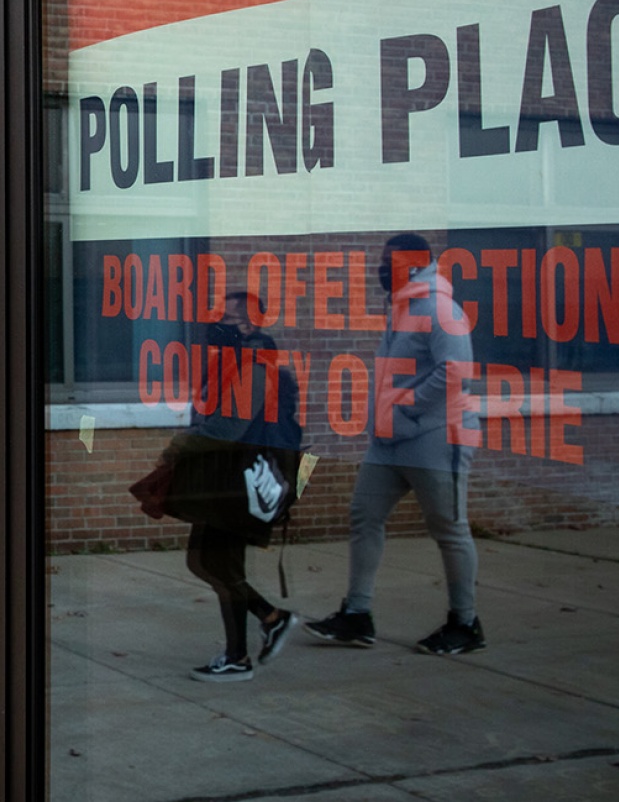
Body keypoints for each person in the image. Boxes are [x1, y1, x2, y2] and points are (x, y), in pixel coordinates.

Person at [305, 233, 485, 655]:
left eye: (388, 262)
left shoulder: (441, 309)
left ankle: (466, 623)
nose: (380, 269)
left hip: (436, 439)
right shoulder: (402, 306)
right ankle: (357, 615)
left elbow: (456, 373)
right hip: (390, 441)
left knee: (449, 529)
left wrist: (409, 408)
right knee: (364, 516)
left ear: (413, 264)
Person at [165, 288, 302, 683]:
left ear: (248, 325)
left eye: (227, 317)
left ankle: (240, 655)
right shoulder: (233, 364)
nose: (216, 324)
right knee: (204, 561)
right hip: (223, 478)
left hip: (239, 481)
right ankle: (268, 620)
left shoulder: (255, 367)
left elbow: (228, 428)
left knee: (218, 564)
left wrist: (180, 445)